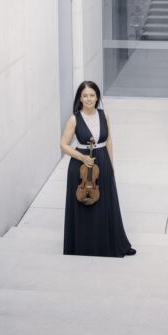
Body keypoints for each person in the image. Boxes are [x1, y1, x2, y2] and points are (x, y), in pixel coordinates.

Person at [60, 81, 135, 257]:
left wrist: (111, 165)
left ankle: (110, 244)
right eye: (85, 95)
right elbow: (63, 145)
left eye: (92, 95)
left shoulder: (104, 115)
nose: (89, 99)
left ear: (97, 97)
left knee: (106, 204)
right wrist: (82, 158)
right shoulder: (74, 119)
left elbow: (108, 140)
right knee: (83, 206)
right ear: (80, 98)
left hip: (102, 162)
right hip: (81, 166)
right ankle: (84, 247)